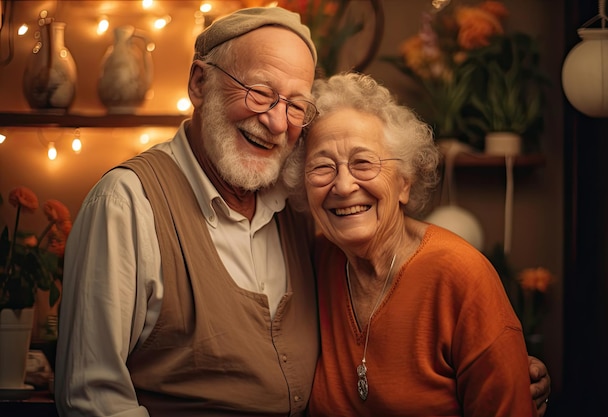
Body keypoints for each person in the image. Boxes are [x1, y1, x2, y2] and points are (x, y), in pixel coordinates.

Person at [55, 6, 550, 417]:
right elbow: (92, 400)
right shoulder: (127, 203)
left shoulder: (294, 218)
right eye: (260, 92)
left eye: (295, 105)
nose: (274, 121)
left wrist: (495, 364)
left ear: (405, 179)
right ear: (200, 83)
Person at [282, 72, 543, 416]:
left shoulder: (460, 276)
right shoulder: (313, 263)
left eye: (363, 162)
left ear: (404, 182)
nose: (343, 186)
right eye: (322, 167)